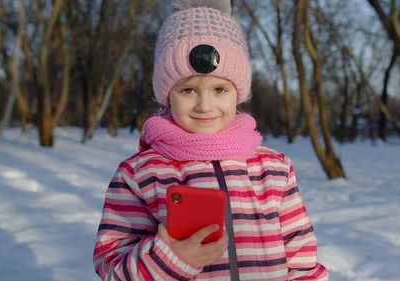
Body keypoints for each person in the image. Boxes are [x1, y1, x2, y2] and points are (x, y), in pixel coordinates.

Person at [93, 0, 328, 280]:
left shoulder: (274, 168)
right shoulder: (139, 173)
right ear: (167, 95)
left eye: (219, 89)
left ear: (238, 94)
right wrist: (171, 259)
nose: (205, 105)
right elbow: (112, 266)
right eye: (188, 90)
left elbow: (300, 256)